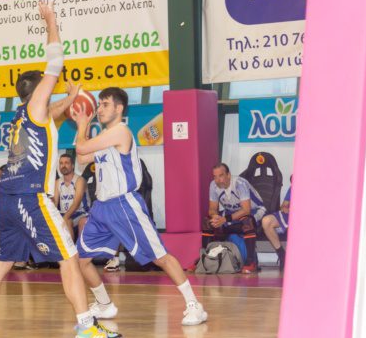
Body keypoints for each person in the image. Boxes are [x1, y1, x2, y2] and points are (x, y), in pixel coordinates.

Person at [0, 1, 122, 338]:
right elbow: (55, 61)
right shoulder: (38, 106)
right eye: (47, 86)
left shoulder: (24, 116)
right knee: (69, 257)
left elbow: (54, 111)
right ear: (38, 90)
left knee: (3, 261)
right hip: (29, 197)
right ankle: (86, 325)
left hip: (8, 198)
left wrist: (72, 98)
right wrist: (50, 21)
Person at [72, 87, 207, 326]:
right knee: (81, 259)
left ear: (119, 108)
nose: (99, 109)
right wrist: (81, 126)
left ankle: (194, 305)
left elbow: (82, 148)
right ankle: (104, 304)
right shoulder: (105, 137)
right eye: (99, 104)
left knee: (160, 257)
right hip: (102, 208)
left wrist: (83, 124)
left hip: (124, 205)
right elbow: (82, 158)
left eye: (105, 104)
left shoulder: (121, 132)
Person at [202, 163, 267, 273]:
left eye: (221, 175)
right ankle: (204, 258)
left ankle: (251, 262)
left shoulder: (240, 183)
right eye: (215, 177)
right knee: (207, 221)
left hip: (255, 211)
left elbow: (246, 210)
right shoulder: (213, 185)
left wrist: (225, 219)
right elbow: (212, 209)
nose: (218, 180)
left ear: (228, 175)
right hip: (231, 213)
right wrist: (215, 217)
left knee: (247, 221)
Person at [53, 153, 89, 240]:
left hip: (80, 212)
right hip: (63, 212)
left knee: (67, 221)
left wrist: (65, 218)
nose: (63, 166)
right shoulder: (57, 182)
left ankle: (71, 248)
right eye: (61, 163)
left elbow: (76, 203)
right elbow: (55, 203)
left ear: (72, 166)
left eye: (66, 163)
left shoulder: (79, 180)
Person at [261, 182, 291, 271]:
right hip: (290, 214)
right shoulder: (294, 187)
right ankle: (282, 255)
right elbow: (284, 205)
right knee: (266, 221)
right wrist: (285, 207)